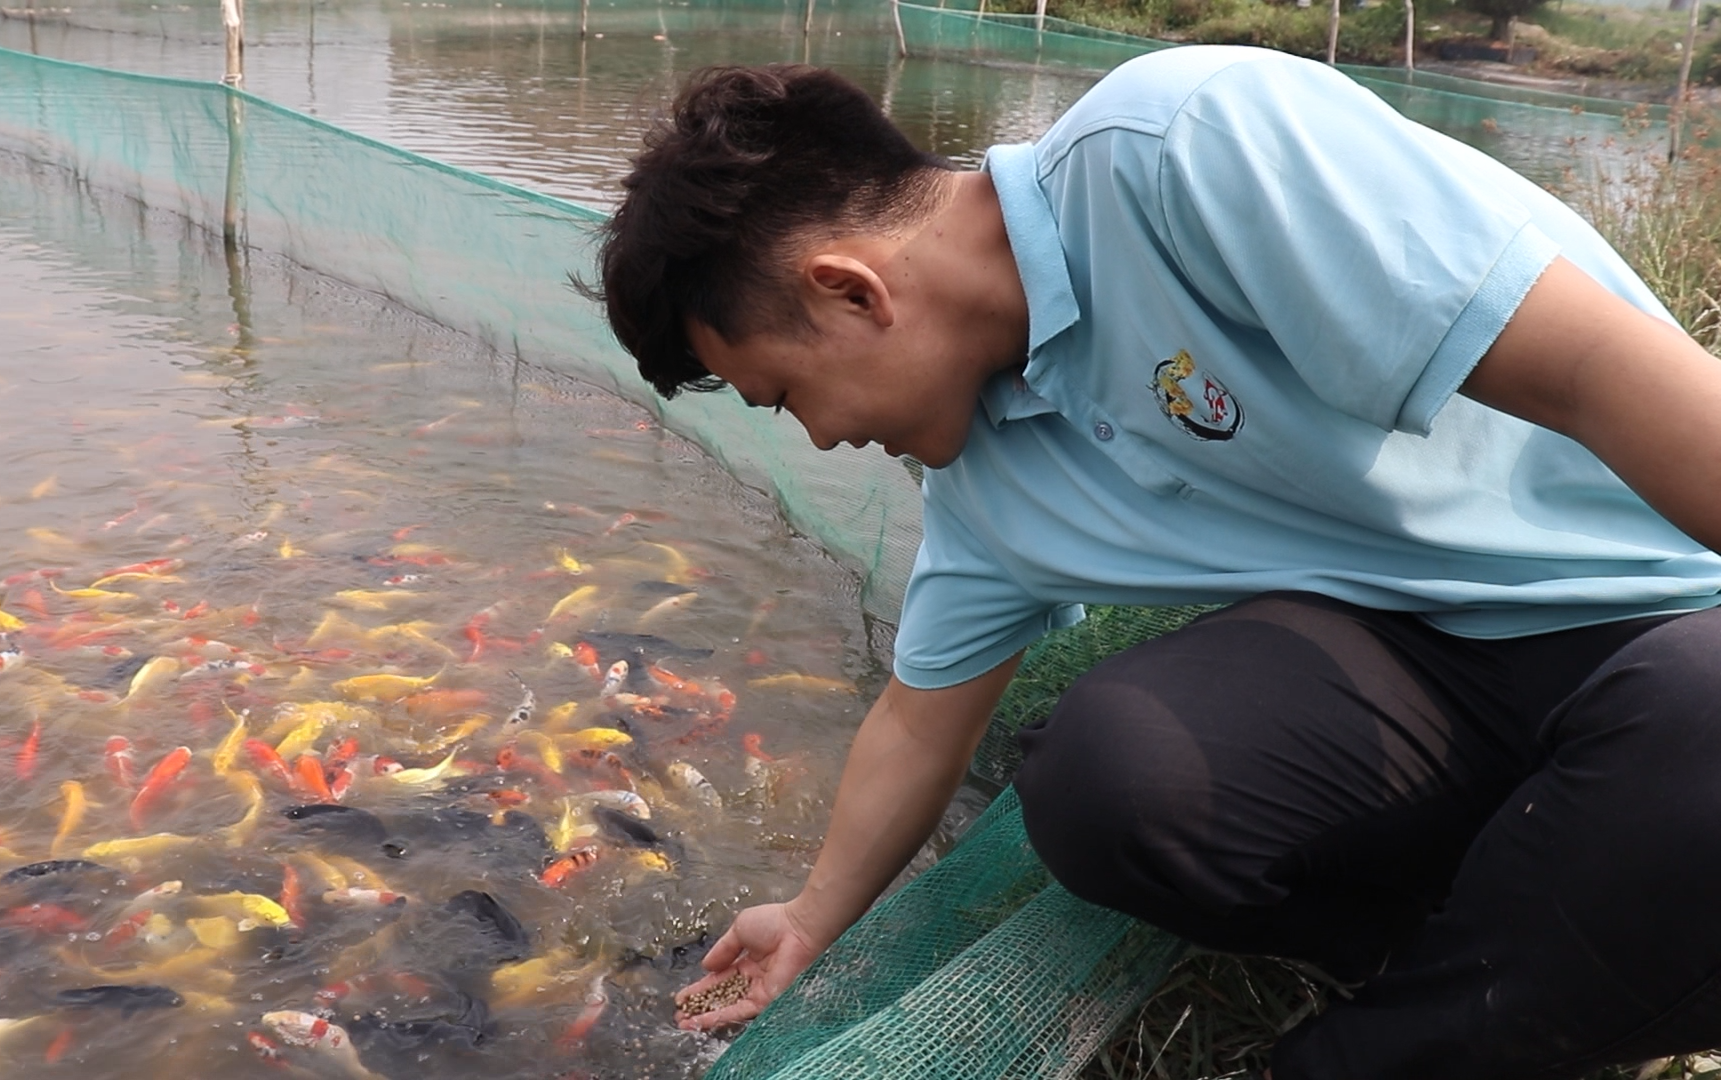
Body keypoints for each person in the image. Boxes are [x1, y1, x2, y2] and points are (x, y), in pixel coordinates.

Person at [585, 46, 1721, 1080]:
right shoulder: (984, 477)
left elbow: (1591, 369)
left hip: (1668, 611)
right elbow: (921, 716)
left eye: (787, 398)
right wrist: (811, 917)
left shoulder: (1180, 149)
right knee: (1113, 777)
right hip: (1427, 669)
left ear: (852, 290)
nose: (822, 438)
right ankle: (1529, 949)